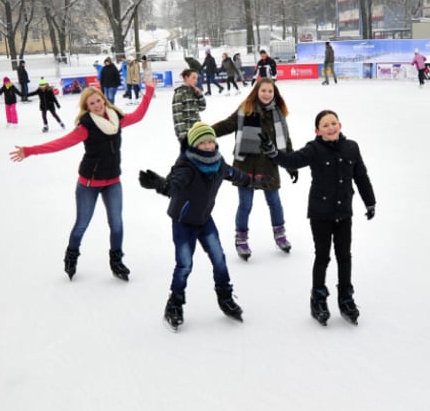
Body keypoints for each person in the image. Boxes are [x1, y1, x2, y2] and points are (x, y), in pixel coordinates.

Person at [8, 77, 156, 281]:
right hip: (89, 183)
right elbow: (60, 143)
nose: (96, 105)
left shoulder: (116, 118)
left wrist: (148, 90)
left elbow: (138, 116)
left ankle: (116, 261)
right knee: (82, 224)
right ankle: (71, 256)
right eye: (92, 103)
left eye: (98, 101)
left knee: (117, 224)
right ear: (86, 106)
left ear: (104, 100)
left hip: (113, 181)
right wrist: (31, 150)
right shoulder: (86, 126)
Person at [139, 122, 273, 331]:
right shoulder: (186, 166)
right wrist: (159, 184)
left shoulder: (218, 163)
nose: (209, 146)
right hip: (183, 223)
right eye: (203, 143)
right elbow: (173, 186)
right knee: (185, 265)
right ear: (193, 145)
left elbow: (234, 174)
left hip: (204, 220)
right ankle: (174, 304)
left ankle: (225, 297)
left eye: (211, 141)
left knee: (219, 258)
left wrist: (254, 180)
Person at [262, 109, 376, 326]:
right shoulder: (314, 149)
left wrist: (370, 201)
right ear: (317, 130)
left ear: (340, 125)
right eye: (325, 125)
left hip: (344, 213)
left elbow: (361, 176)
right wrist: (274, 153)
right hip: (320, 214)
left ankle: (346, 297)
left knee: (344, 256)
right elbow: (293, 160)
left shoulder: (351, 147)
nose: (331, 127)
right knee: (322, 256)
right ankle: (318, 298)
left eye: (334, 123)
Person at [212, 77, 297, 260]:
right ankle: (241, 238)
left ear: (274, 93)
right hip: (246, 164)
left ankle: (280, 234)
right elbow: (227, 125)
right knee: (245, 204)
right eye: (263, 91)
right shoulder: (246, 109)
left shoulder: (278, 113)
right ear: (256, 92)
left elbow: (286, 141)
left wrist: (291, 165)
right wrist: (207, 132)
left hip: (269, 164)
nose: (267, 94)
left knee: (274, 202)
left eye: (270, 91)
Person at [172, 69, 206, 151]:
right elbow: (177, 116)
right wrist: (183, 136)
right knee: (189, 158)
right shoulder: (179, 93)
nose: (196, 81)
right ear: (186, 78)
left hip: (197, 129)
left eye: (196, 78)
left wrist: (199, 95)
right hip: (186, 132)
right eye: (193, 78)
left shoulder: (194, 92)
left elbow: (202, 107)